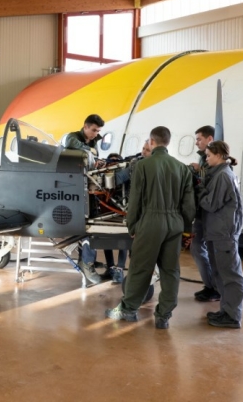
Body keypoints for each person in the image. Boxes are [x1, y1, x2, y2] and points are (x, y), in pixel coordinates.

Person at [105, 126, 196, 329]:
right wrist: (186, 230)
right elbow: (189, 206)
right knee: (171, 270)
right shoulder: (182, 168)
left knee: (140, 268)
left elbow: (135, 200)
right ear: (168, 142)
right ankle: (164, 315)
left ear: (151, 142)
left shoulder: (143, 166)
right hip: (175, 224)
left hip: (150, 222)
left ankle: (128, 310)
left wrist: (133, 226)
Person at [198, 140, 243, 328]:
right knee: (220, 274)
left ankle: (233, 316)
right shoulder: (220, 174)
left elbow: (210, 203)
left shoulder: (223, 176)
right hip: (217, 231)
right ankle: (226, 311)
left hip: (223, 233)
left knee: (231, 275)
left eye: (208, 155)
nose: (206, 159)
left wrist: (199, 190)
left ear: (219, 155)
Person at [61, 114, 106, 285]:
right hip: (72, 190)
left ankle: (88, 259)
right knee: (87, 226)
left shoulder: (92, 143)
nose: (96, 134)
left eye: (98, 131)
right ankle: (86, 263)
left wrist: (97, 162)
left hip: (87, 190)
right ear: (85, 127)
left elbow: (91, 160)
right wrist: (92, 152)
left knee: (92, 225)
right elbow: (72, 145)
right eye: (94, 130)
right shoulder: (73, 138)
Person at [99, 140, 151, 283]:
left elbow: (119, 179)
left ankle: (120, 269)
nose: (143, 152)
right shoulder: (135, 164)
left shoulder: (135, 166)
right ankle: (111, 268)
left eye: (147, 150)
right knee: (106, 240)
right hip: (113, 210)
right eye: (143, 148)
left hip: (129, 211)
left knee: (125, 240)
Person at [188, 125, 221, 302]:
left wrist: (199, 173)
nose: (196, 143)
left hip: (208, 213)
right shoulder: (204, 160)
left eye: (199, 139)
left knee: (201, 249)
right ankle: (211, 286)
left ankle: (214, 287)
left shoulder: (220, 168)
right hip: (203, 213)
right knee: (198, 248)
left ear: (210, 139)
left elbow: (209, 185)